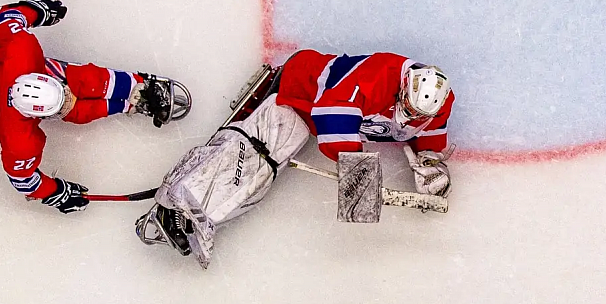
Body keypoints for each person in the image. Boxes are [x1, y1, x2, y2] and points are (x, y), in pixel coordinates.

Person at [136, 50, 456, 267]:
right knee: (257, 156)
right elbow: (332, 117)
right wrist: (359, 172)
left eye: (418, 113)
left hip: (312, 116)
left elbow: (429, 134)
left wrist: (430, 163)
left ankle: (202, 214)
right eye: (407, 106)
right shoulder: (378, 75)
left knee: (261, 179)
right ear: (404, 86)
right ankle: (178, 205)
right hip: (300, 92)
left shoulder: (438, 103)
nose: (409, 115)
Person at [0, 0, 189, 214]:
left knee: (85, 79)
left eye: (62, 91)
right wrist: (55, 192)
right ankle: (127, 104)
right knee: (76, 112)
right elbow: (22, 180)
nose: (70, 98)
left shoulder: (22, 50)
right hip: (0, 98)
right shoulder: (18, 140)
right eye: (59, 106)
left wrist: (38, 10)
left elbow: (6, 19)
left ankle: (136, 86)